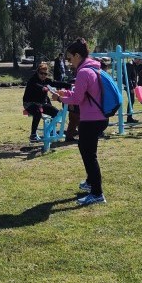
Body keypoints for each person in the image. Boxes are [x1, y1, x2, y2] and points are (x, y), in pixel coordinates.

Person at [53, 38, 108, 206]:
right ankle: (91, 183)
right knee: (88, 152)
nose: (69, 62)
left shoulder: (84, 72)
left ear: (77, 55)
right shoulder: (93, 68)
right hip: (98, 117)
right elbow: (82, 93)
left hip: (91, 119)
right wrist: (66, 93)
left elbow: (77, 99)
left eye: (70, 58)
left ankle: (97, 193)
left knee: (89, 155)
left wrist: (59, 97)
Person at [22, 62, 71, 142]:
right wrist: (43, 88)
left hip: (42, 104)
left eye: (45, 74)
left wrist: (68, 85)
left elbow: (55, 83)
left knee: (56, 113)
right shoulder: (32, 80)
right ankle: (33, 134)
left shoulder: (46, 80)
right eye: (41, 73)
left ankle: (51, 131)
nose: (43, 75)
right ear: (38, 72)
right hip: (30, 103)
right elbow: (36, 85)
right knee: (38, 112)